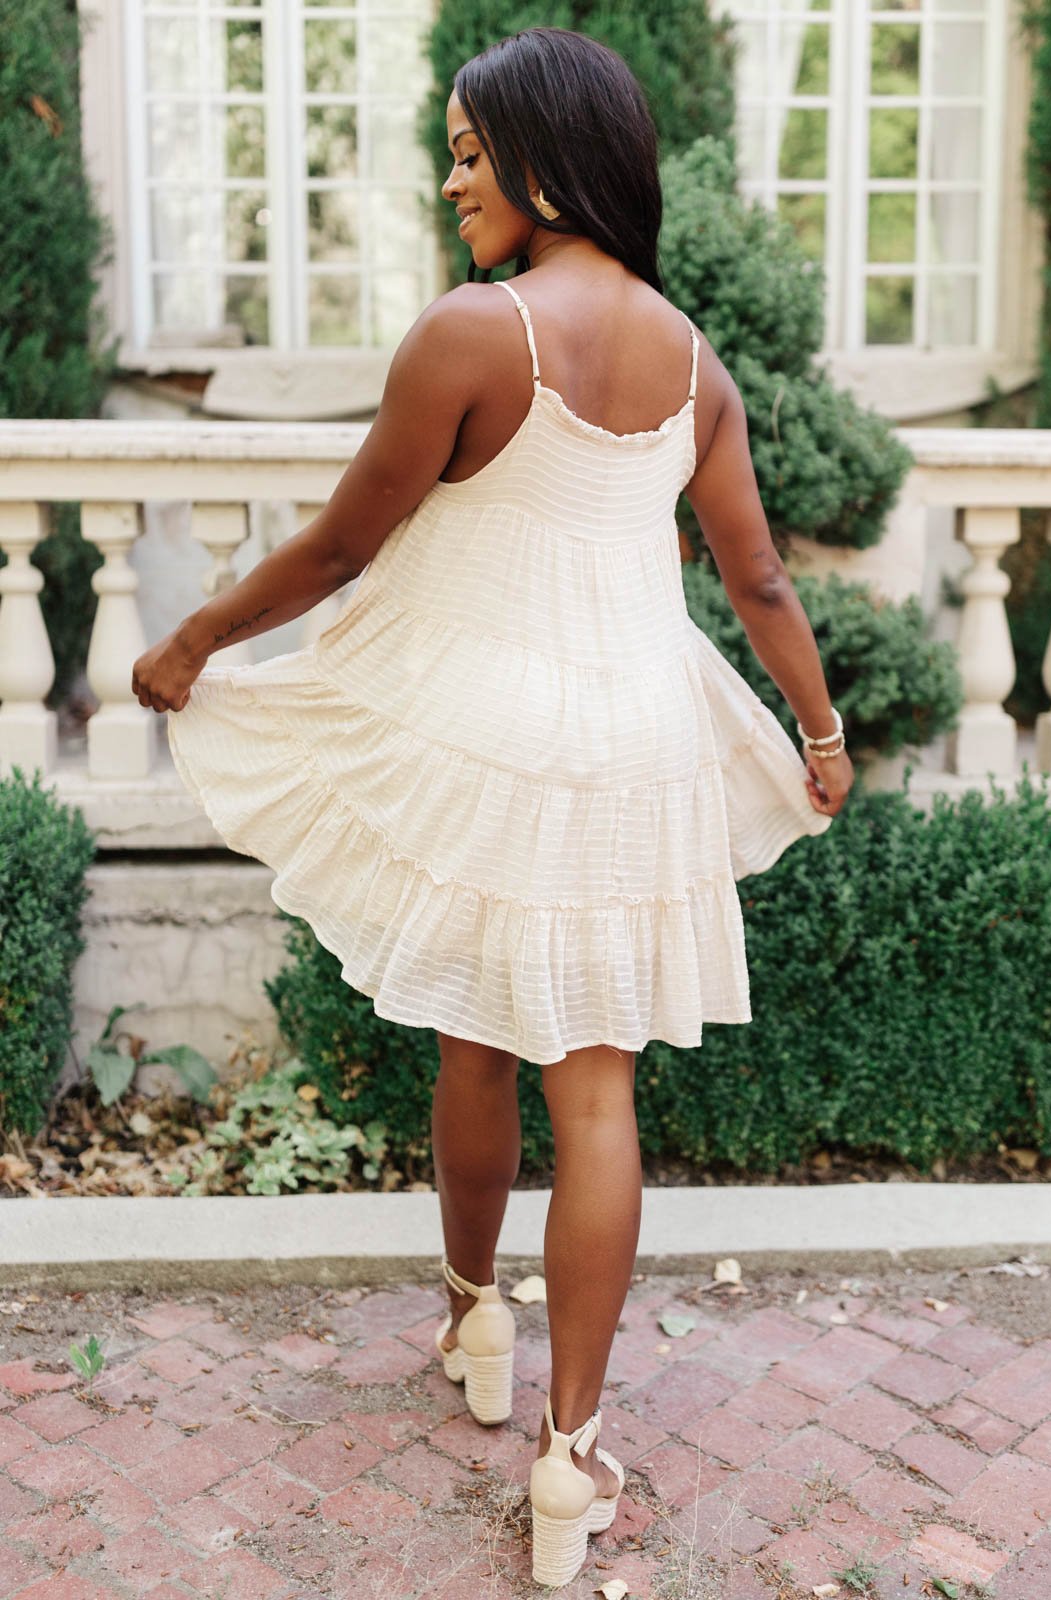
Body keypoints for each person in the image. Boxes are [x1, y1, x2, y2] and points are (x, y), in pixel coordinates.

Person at [132, 24, 854, 1589]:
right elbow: (761, 575)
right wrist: (820, 728)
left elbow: (340, 548)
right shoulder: (693, 359)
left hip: (493, 729)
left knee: (472, 1027)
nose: (451, 178)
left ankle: (473, 1313)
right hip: (638, 738)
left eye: (471, 151)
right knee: (594, 1091)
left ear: (544, 160)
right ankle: (574, 1459)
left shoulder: (474, 334)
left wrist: (191, 641)